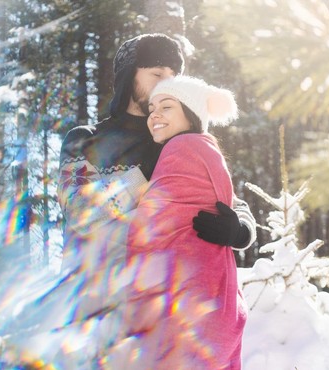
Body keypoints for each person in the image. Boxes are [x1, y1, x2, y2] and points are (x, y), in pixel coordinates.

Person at [58, 33, 256, 275]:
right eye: (157, 74)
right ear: (128, 76)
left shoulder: (182, 142)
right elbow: (79, 212)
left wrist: (240, 230)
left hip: (160, 299)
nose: (166, 83)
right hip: (92, 297)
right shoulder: (84, 139)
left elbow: (232, 201)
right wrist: (144, 175)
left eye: (173, 77)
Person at [125, 76, 248, 369]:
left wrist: (241, 230)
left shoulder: (186, 148)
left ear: (191, 114)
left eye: (166, 107)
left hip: (188, 304)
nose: (154, 114)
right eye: (152, 107)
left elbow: (151, 225)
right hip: (215, 301)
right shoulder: (204, 148)